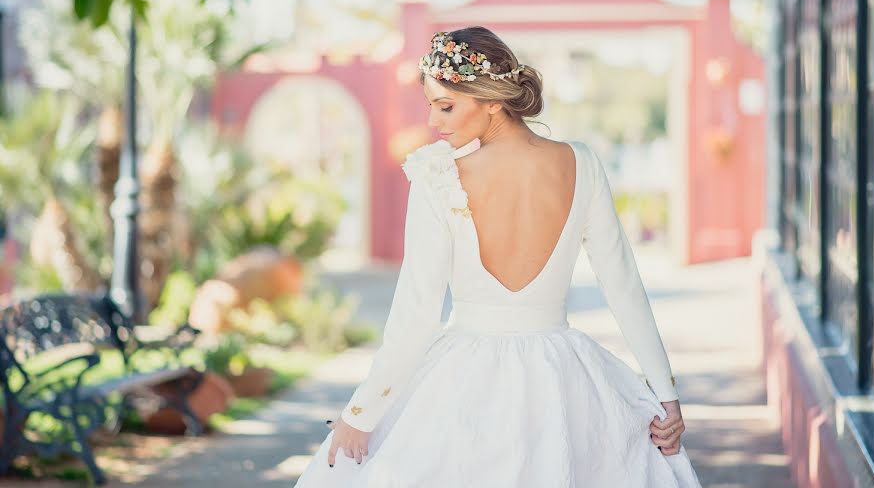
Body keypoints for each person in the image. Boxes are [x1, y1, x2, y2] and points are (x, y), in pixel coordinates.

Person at [294, 26, 702, 487]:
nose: (434, 121)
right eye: (431, 106)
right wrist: (665, 396)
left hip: (462, 378)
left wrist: (361, 413)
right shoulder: (582, 162)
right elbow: (623, 287)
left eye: (445, 106)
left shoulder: (436, 174)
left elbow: (416, 312)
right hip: (563, 380)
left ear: (492, 99)